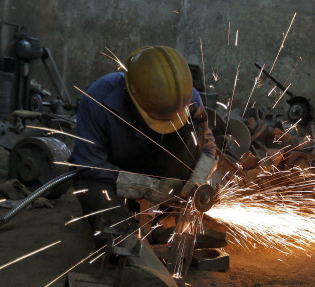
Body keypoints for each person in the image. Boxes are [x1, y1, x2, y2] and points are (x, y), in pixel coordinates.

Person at [69, 46, 217, 242]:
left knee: (193, 131)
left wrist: (198, 180)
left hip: (159, 163)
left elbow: (207, 147)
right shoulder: (97, 99)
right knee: (117, 238)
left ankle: (170, 217)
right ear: (131, 95)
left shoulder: (186, 99)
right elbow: (88, 165)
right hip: (111, 173)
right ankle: (121, 236)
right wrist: (146, 187)